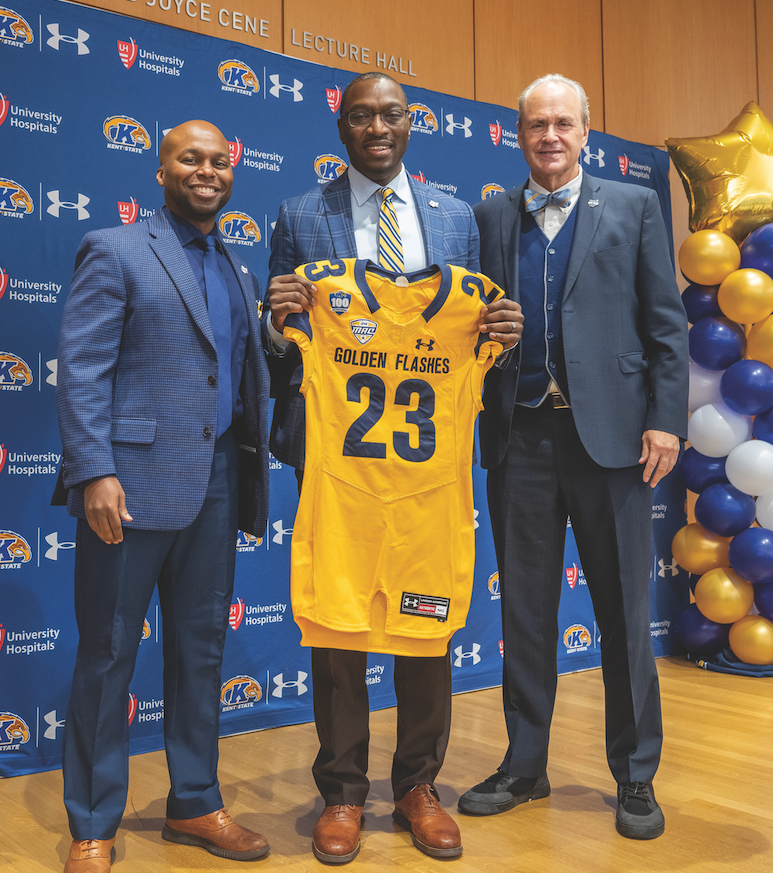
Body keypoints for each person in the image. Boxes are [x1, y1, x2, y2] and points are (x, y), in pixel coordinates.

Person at [265, 72, 523, 863]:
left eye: (391, 115)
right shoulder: (299, 214)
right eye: (362, 117)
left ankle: (418, 784)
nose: (377, 128)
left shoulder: (455, 218)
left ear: (412, 124)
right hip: (338, 456)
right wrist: (281, 324)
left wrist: (501, 332)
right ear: (341, 127)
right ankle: (341, 789)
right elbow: (278, 344)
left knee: (425, 626)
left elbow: (473, 323)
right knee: (338, 625)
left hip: (426, 465)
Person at [458, 74, 688, 840]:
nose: (549, 136)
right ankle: (525, 764)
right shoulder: (493, 213)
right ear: (517, 134)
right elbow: (466, 321)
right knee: (524, 611)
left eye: (562, 123)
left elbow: (666, 326)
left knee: (624, 611)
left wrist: (665, 420)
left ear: (587, 130)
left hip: (616, 442)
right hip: (520, 436)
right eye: (535, 124)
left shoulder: (633, 206)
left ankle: (635, 774)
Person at [53, 120, 271, 873]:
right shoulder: (114, 250)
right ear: (161, 170)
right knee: (109, 653)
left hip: (215, 483)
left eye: (218, 159)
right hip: (130, 486)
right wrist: (93, 471)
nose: (206, 170)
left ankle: (194, 802)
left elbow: (233, 372)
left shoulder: (238, 270)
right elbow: (81, 369)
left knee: (201, 651)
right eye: (190, 158)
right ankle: (92, 822)